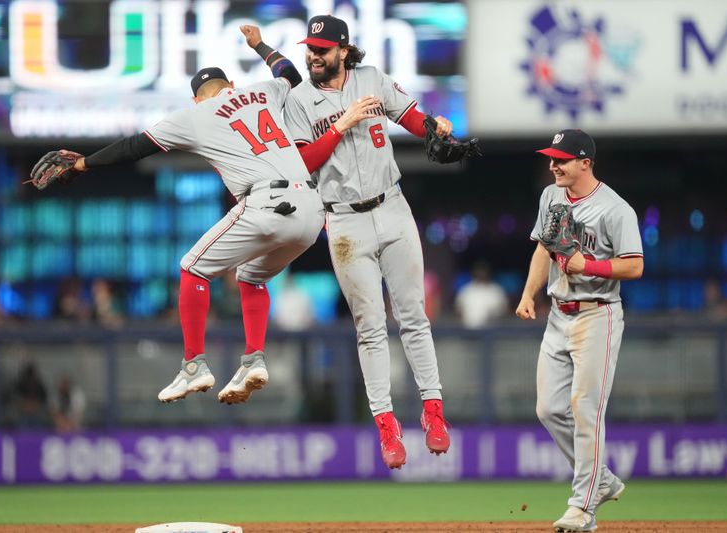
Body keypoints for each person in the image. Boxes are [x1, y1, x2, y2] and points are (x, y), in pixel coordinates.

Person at [37, 25, 377, 406]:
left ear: (197, 99)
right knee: (250, 275)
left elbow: (135, 147)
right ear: (231, 83)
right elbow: (291, 75)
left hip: (266, 202)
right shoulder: (262, 91)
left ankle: (194, 365)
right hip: (313, 211)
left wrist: (83, 163)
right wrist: (261, 45)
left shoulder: (195, 116)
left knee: (192, 267)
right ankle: (253, 359)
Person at [281, 15, 452, 469]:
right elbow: (301, 160)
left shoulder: (371, 79)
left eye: (322, 48)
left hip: (392, 207)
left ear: (342, 49)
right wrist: (341, 124)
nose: (314, 55)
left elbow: (412, 116)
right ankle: (386, 425)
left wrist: (436, 128)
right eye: (310, 48)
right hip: (344, 222)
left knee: (414, 315)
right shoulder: (298, 100)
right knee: (370, 325)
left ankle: (433, 413)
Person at [516, 129, 643, 532]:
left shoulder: (614, 209)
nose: (553, 165)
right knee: (549, 409)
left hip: (597, 314)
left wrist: (589, 266)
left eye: (562, 159)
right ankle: (601, 480)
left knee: (585, 410)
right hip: (558, 314)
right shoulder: (551, 196)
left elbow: (634, 265)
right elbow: (543, 247)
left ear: (585, 162)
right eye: (552, 158)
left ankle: (583, 509)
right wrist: (528, 294)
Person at [455, 261, 509, 328]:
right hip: (469, 330)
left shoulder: (496, 291)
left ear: (488, 272)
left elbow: (504, 311)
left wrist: (493, 315)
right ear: (474, 272)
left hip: (492, 331)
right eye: (479, 271)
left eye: (484, 271)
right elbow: (458, 310)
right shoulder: (466, 290)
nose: (481, 273)